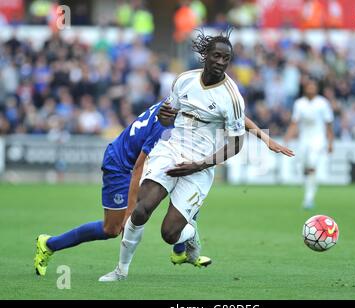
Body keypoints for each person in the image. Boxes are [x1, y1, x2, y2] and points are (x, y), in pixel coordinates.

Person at [99, 29, 294, 282]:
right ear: (205, 56)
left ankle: (188, 233)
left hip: (200, 165)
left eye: (226, 59)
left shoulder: (232, 97)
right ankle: (121, 271)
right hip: (170, 151)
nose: (221, 62)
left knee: (169, 234)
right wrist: (164, 117)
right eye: (217, 56)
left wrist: (199, 165)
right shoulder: (184, 80)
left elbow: (236, 144)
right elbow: (167, 116)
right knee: (140, 211)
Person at [34, 96, 293, 277]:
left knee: (183, 186)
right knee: (112, 229)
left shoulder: (185, 104)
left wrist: (266, 139)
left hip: (138, 161)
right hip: (121, 164)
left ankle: (180, 250)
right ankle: (49, 244)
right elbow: (138, 167)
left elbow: (236, 117)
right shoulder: (167, 127)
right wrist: (128, 213)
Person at [284, 79, 333, 210]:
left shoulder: (323, 103)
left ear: (317, 88)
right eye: (309, 86)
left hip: (318, 138)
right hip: (304, 139)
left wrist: (330, 142)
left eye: (313, 86)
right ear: (305, 88)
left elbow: (328, 124)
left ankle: (309, 198)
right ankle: (308, 190)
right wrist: (287, 137)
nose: (311, 88)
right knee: (305, 166)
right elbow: (294, 123)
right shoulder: (299, 103)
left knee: (312, 163)